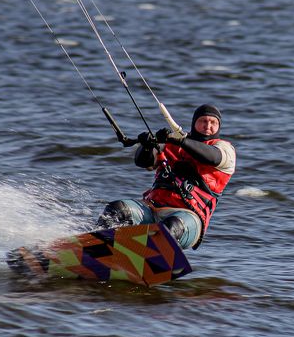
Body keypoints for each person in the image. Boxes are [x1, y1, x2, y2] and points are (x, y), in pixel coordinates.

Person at [98, 104, 236, 250]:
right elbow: (143, 162)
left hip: (187, 217)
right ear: (194, 123)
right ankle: (94, 248)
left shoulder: (225, 149)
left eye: (213, 122)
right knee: (116, 209)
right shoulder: (172, 143)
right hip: (151, 210)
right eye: (203, 121)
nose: (207, 125)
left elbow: (212, 157)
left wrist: (180, 141)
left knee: (170, 228)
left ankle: (148, 263)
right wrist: (146, 146)